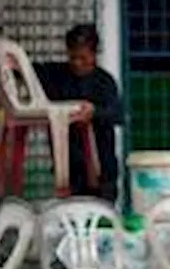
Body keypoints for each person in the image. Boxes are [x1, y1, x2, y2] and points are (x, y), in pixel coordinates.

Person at [33, 24, 123, 201]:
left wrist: (94, 112)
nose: (77, 63)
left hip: (102, 171)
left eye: (83, 58)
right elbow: (27, 70)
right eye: (72, 57)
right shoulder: (56, 76)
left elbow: (117, 114)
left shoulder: (104, 82)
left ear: (94, 55)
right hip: (70, 170)